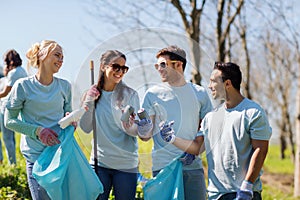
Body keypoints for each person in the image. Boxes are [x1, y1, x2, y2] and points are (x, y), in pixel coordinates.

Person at [161, 61, 272, 200]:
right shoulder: (210, 117)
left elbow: (261, 150)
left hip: (243, 192)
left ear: (227, 84)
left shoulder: (253, 112)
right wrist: (172, 138)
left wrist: (248, 185)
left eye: (213, 81)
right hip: (215, 194)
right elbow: (197, 147)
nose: (209, 86)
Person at [141, 45, 213, 200]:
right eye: (157, 65)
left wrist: (197, 150)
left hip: (192, 167)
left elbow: (208, 130)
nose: (158, 69)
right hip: (163, 167)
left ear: (178, 65)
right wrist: (141, 128)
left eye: (162, 64)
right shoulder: (152, 94)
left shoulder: (199, 93)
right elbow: (145, 136)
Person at [4, 40, 72, 200]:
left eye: (63, 57)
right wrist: (38, 131)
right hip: (36, 160)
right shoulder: (23, 86)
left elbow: (67, 116)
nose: (61, 60)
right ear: (42, 55)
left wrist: (71, 120)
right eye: (57, 55)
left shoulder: (65, 86)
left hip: (60, 157)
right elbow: (9, 121)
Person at [79, 50, 142, 200]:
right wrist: (89, 101)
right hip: (99, 164)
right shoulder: (91, 94)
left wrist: (130, 126)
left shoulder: (131, 95)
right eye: (116, 67)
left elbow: (136, 131)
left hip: (126, 165)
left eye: (123, 68)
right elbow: (86, 128)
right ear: (103, 66)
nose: (120, 72)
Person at [0, 49, 27, 165]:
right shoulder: (23, 71)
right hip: (18, 106)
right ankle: (14, 163)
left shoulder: (13, 73)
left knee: (6, 137)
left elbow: (6, 92)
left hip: (6, 106)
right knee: (12, 137)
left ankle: (12, 163)